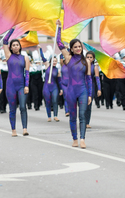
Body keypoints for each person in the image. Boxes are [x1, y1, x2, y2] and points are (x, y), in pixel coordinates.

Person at [57, 20, 92, 149]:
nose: (78, 48)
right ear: (71, 48)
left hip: (82, 91)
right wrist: (59, 27)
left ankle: (82, 139)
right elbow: (59, 43)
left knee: (82, 115)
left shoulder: (86, 62)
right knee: (73, 116)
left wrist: (89, 94)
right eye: (75, 47)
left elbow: (88, 79)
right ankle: (75, 139)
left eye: (80, 46)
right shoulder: (68, 58)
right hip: (70, 91)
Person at [2, 28, 30, 137]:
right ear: (11, 47)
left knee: (23, 106)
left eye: (16, 45)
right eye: (13, 45)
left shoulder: (25, 58)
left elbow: (27, 73)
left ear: (20, 46)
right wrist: (12, 29)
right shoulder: (8, 56)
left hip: (21, 85)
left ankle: (24, 128)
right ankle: (13, 129)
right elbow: (5, 40)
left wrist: (26, 85)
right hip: (10, 86)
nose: (15, 46)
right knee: (12, 108)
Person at [39, 46, 63, 122]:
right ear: (50, 61)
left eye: (56, 61)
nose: (55, 62)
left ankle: (55, 115)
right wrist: (40, 49)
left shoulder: (58, 70)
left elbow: (59, 80)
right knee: (48, 101)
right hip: (46, 87)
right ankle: (49, 116)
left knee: (55, 100)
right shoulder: (47, 66)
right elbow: (42, 57)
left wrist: (61, 89)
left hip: (54, 87)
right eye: (53, 61)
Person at [85, 51, 102, 129]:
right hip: (82, 87)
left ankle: (87, 122)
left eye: (90, 57)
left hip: (91, 87)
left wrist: (99, 89)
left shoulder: (94, 67)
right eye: (87, 57)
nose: (89, 59)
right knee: (82, 105)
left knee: (89, 105)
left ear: (94, 58)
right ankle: (82, 121)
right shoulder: (82, 65)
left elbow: (97, 79)